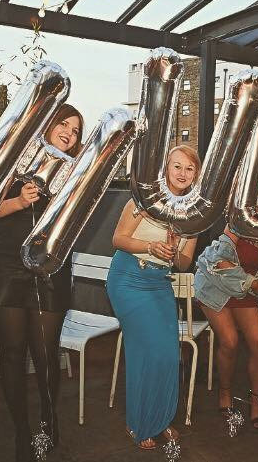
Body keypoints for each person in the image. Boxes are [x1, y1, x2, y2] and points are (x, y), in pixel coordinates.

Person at [0, 104, 83, 461]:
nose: (69, 133)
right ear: (47, 125)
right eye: (64, 124)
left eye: (75, 131)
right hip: (8, 264)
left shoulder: (75, 172)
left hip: (50, 268)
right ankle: (21, 431)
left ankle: (47, 419)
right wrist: (18, 201)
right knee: (12, 354)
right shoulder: (13, 158)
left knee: (45, 353)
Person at [106, 145, 200, 450]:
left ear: (196, 174)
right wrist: (150, 247)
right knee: (143, 352)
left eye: (189, 168)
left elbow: (185, 263)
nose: (183, 173)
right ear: (166, 169)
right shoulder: (146, 200)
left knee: (168, 355)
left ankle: (162, 419)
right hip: (128, 279)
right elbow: (118, 239)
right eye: (177, 166)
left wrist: (172, 250)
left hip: (159, 282)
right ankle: (140, 421)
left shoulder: (194, 215)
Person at [194, 181, 258, 430]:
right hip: (215, 285)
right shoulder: (243, 218)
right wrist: (254, 282)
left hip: (244, 289)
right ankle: (225, 391)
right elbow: (219, 260)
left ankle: (255, 400)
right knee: (229, 340)